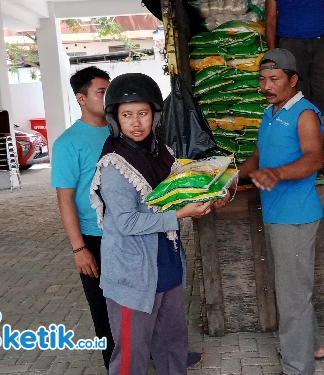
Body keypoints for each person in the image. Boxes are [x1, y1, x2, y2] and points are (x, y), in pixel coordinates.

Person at [91, 73, 227, 375]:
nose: (136, 122)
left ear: (155, 115)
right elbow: (127, 222)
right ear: (115, 119)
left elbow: (183, 187)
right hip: (132, 276)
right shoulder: (114, 163)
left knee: (172, 344)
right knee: (132, 355)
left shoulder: (161, 152)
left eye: (143, 113)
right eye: (127, 115)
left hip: (166, 266)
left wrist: (215, 191)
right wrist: (181, 214)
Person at [237, 49, 324, 375]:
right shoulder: (270, 113)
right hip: (277, 215)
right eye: (262, 79)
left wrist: (277, 173)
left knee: (292, 299)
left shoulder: (304, 114)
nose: (267, 85)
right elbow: (257, 158)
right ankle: (313, 345)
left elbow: (314, 158)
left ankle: (296, 368)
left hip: (297, 217)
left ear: (292, 79)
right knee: (295, 290)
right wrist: (230, 176)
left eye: (274, 79)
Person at [51, 66, 116, 369]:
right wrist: (79, 248)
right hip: (94, 237)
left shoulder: (121, 129)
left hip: (129, 231)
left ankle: (149, 352)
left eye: (108, 90)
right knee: (103, 311)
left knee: (140, 302)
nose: (109, 97)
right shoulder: (68, 143)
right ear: (81, 98)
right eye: (101, 92)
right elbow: (64, 199)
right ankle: (114, 365)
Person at [265, 0, 324, 143]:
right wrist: (272, 52)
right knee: (295, 100)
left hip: (321, 42)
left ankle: (315, 151)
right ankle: (299, 152)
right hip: (290, 44)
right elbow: (270, 19)